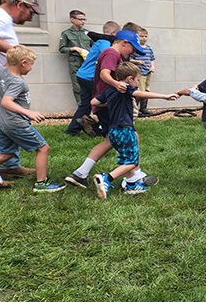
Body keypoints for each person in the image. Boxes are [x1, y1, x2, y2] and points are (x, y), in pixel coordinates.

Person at [65, 29, 155, 192]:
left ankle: (81, 173)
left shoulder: (113, 54)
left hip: (107, 103)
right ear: (124, 43)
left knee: (112, 141)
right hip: (110, 104)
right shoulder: (111, 53)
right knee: (130, 137)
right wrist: (117, 85)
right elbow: (104, 73)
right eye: (133, 48)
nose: (133, 52)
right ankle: (131, 180)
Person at [90, 62, 179, 198]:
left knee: (127, 158)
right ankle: (106, 179)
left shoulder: (110, 90)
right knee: (132, 162)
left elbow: (94, 102)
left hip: (112, 131)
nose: (138, 83)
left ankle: (131, 185)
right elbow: (141, 93)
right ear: (129, 79)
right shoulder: (126, 88)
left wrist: (111, 101)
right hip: (125, 130)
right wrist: (164, 97)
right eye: (138, 80)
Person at [0, 46, 65, 192]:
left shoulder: (3, 71)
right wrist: (28, 113)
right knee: (43, 148)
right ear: (23, 63)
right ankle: (41, 184)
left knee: (7, 154)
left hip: (0, 122)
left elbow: (10, 62)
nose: (31, 68)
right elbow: (6, 101)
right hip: (15, 123)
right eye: (31, 64)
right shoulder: (18, 82)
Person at [0, 0, 39, 187]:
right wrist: (14, 52)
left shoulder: (1, 18)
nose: (30, 17)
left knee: (3, 121)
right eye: (31, 12)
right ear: (20, 5)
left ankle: (10, 165)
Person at [65, 20, 119, 136]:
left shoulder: (99, 41)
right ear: (114, 33)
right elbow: (106, 56)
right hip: (91, 77)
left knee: (85, 104)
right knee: (102, 102)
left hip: (82, 75)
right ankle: (102, 128)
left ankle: (72, 130)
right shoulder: (105, 43)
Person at [58, 9, 93, 107]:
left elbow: (94, 46)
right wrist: (74, 48)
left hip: (88, 61)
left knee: (90, 84)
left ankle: (92, 107)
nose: (83, 22)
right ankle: (81, 107)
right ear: (72, 19)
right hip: (75, 61)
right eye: (80, 19)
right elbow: (62, 49)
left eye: (84, 19)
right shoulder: (66, 33)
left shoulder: (87, 33)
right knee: (77, 86)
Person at [130, 29, 155, 116]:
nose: (144, 38)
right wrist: (138, 62)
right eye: (141, 36)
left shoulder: (149, 48)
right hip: (140, 74)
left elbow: (152, 59)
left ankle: (143, 108)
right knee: (140, 91)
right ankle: (135, 109)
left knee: (147, 90)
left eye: (145, 36)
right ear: (137, 37)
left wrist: (152, 67)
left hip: (148, 72)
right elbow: (130, 60)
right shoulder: (136, 48)